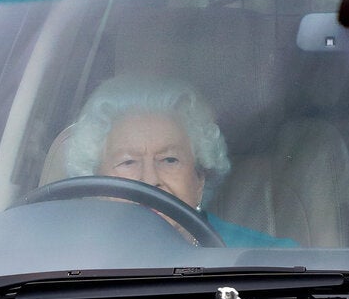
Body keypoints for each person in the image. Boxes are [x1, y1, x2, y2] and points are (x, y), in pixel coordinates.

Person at [65, 74, 296, 248]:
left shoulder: (265, 259)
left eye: (169, 160)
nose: (150, 180)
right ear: (96, 182)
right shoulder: (63, 261)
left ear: (199, 180)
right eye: (128, 162)